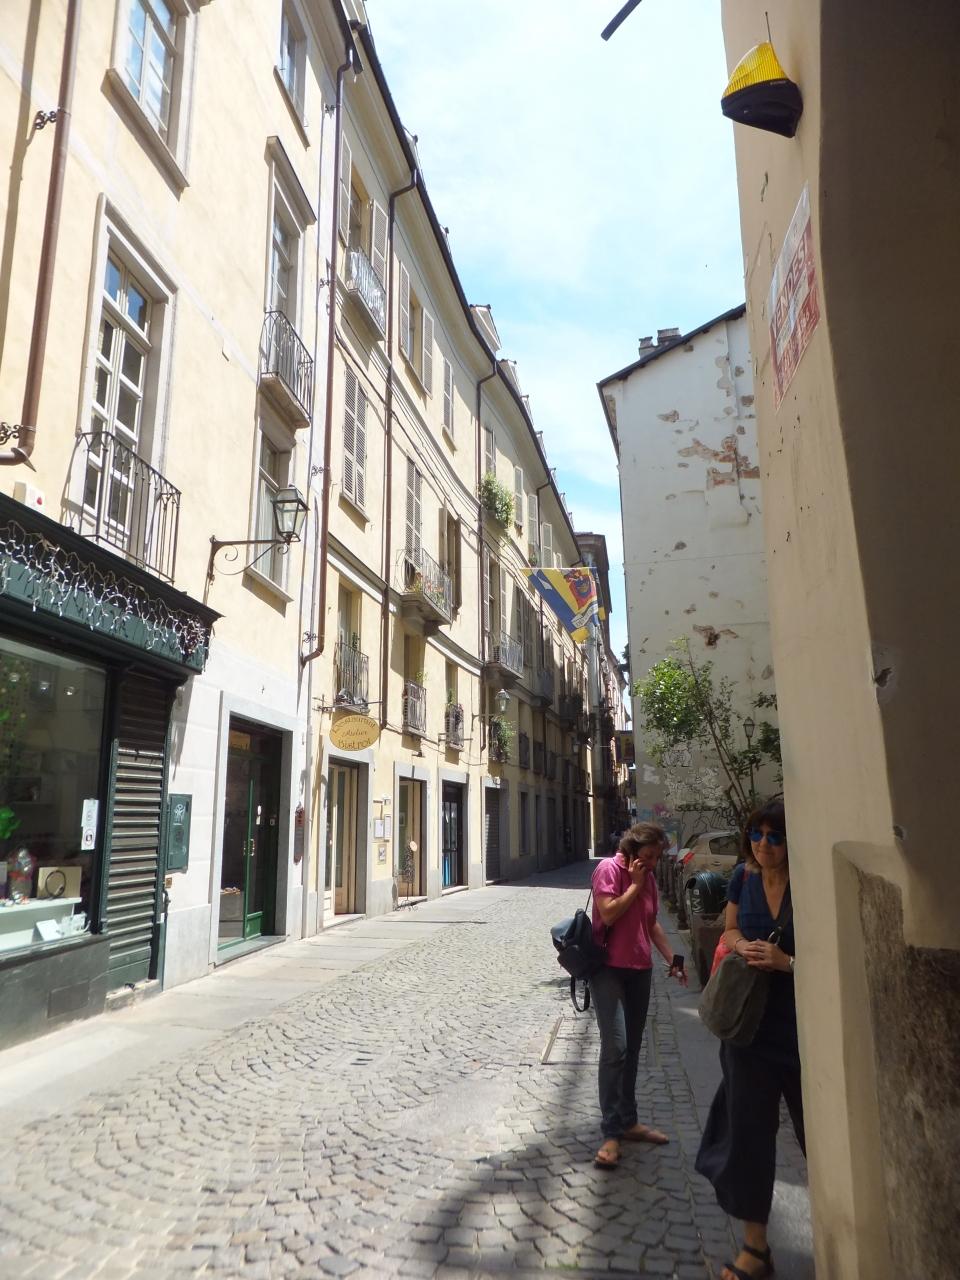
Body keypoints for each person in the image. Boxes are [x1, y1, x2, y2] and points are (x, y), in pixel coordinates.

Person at [695, 799, 804, 1280]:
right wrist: (742, 946)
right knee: (748, 1133)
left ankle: (850, 1232)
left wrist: (787, 963)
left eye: (775, 836)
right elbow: (730, 928)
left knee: (819, 1134)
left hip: (803, 1027)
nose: (764, 844)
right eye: (756, 835)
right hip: (748, 1027)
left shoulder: (808, 881)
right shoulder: (743, 876)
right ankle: (756, 1248)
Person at [590, 821, 688, 1169]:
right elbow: (608, 912)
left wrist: (673, 960)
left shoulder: (648, 878)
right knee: (615, 1048)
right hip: (608, 971)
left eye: (658, 856)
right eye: (650, 854)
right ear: (633, 848)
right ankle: (611, 1132)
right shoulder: (609, 869)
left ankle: (629, 1121)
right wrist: (634, 884)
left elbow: (651, 923)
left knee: (632, 1049)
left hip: (639, 970)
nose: (654, 861)